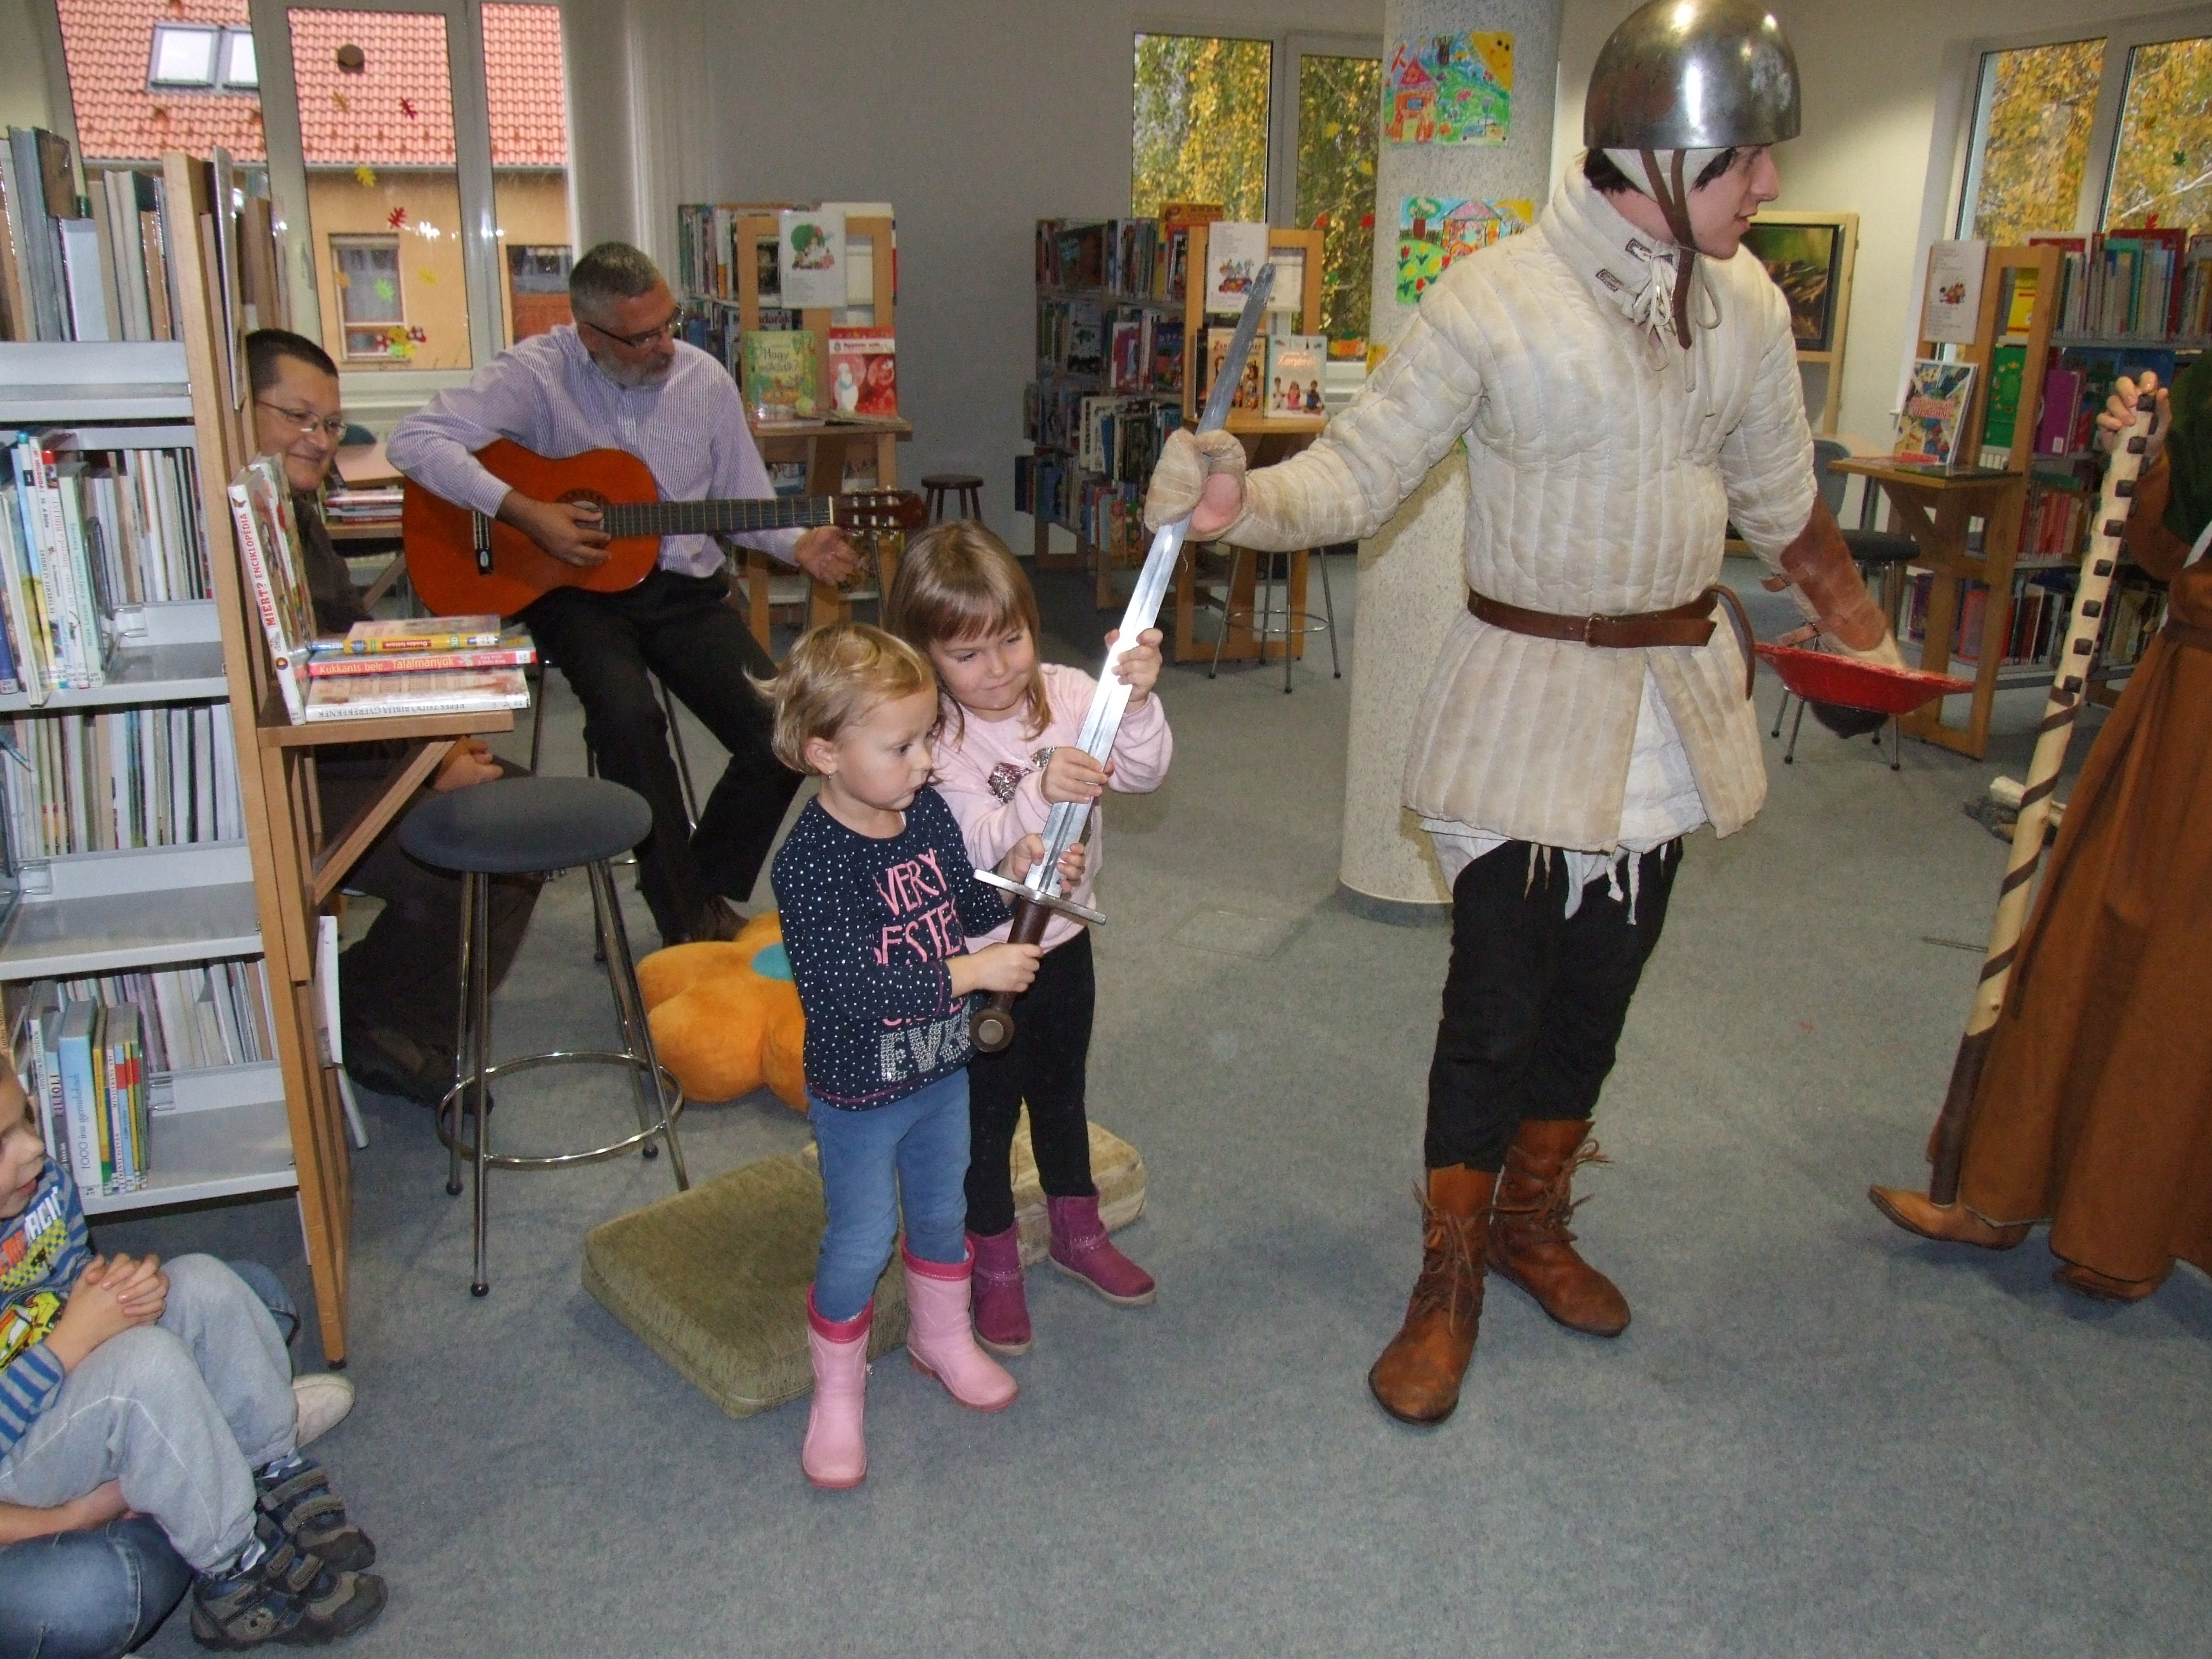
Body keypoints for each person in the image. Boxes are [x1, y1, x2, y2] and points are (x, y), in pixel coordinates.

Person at [1142, 0, 1899, 1427]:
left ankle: (1530, 1221)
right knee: (1492, 1007)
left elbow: (1783, 507)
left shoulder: (1744, 305)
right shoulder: (1490, 296)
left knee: (1599, 995)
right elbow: (1359, 472)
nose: (1769, 184)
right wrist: (1244, 503)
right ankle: (1448, 1270)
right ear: (1659, 155)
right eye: (1744, 157)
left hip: (1669, 708)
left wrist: (1867, 637)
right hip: (1522, 701)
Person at [386, 242, 862, 951]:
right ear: (589, 334)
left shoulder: (703, 381)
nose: (664, 345)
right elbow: (415, 440)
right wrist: (523, 511)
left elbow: (743, 503)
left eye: (670, 324)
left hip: (682, 588)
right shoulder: (535, 373)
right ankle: (686, 922)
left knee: (784, 730)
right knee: (627, 718)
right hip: (573, 590)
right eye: (642, 337)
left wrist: (798, 545)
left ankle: (694, 882)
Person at [1870, 365, 2212, 1301]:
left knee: (2187, 984)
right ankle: (2002, 1188)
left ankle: (2127, 1228)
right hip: (2183, 703)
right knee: (2089, 937)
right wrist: (2144, 458)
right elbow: (2165, 553)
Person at [763, 623, 1080, 1489]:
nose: (926, 763)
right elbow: (847, 990)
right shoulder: (810, 863)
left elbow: (956, 905)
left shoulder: (926, 812)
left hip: (942, 1071)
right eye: (901, 747)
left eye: (925, 740)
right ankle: (837, 1392)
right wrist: (970, 972)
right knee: (862, 1239)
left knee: (942, 1214)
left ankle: (942, 1338)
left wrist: (1014, 869)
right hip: (862, 1091)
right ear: (825, 752)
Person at [883, 523, 1169, 1354]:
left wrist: (1135, 704)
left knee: (1061, 1090)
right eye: (967, 654)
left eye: (1011, 639)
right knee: (985, 1112)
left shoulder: (1073, 695)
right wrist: (1039, 793)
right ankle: (993, 1257)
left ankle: (1078, 1229)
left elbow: (1145, 771)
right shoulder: (933, 741)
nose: (999, 668)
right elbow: (973, 845)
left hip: (1065, 940)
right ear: (926, 656)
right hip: (981, 957)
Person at [244, 329, 542, 1107]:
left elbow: (350, 646)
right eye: (298, 418)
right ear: (239, 410)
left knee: (522, 815)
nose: (320, 441)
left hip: (342, 745)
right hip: (294, 777)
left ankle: (379, 1012)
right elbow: (292, 697)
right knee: (482, 849)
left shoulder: (291, 510)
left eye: (330, 424)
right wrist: (428, 762)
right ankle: (387, 1023)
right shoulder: (238, 532)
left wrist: (441, 730)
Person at [0, 1071, 384, 1648]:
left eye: (26, 1119)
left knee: (204, 1283)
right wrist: (72, 1343)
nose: (34, 1146)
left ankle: (268, 1468)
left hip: (64, 1390)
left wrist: (123, 1294)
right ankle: (231, 1569)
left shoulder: (42, 1187)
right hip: (13, 1457)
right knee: (149, 1366)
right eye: (2, 1142)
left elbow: (73, 1281)